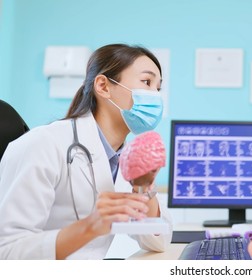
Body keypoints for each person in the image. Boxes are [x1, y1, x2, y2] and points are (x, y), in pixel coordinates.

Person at [0, 43, 173, 259]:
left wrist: (144, 187)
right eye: (146, 82)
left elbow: (158, 240)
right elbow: (6, 253)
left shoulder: (122, 159)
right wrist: (89, 226)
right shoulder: (43, 144)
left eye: (158, 88)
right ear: (103, 86)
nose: (156, 96)